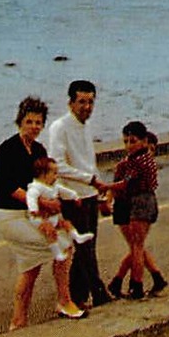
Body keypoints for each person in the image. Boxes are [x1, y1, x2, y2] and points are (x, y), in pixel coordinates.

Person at [0, 96, 82, 326]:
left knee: (32, 266)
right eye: (29, 121)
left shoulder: (39, 149)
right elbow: (7, 187)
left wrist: (56, 211)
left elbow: (49, 183)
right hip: (10, 215)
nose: (34, 126)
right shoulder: (7, 149)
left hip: (32, 215)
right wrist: (42, 204)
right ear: (20, 121)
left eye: (38, 122)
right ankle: (64, 301)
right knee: (59, 246)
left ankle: (19, 321)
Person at [45, 79, 112, 309]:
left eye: (91, 102)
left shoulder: (85, 126)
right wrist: (90, 180)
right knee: (83, 247)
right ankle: (98, 291)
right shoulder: (59, 127)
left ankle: (78, 296)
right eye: (82, 102)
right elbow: (57, 165)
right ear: (70, 102)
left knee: (88, 246)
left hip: (90, 194)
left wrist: (99, 192)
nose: (87, 107)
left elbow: (89, 163)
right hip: (72, 197)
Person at [106, 122, 163, 300]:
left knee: (136, 248)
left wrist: (103, 187)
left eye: (132, 141)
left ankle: (134, 284)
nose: (129, 146)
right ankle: (152, 278)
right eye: (126, 142)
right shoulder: (130, 162)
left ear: (144, 142)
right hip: (129, 203)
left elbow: (123, 184)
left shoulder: (137, 162)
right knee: (136, 247)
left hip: (137, 202)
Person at [25, 156, 95, 262]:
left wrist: (75, 196)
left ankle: (77, 236)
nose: (56, 176)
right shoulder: (36, 187)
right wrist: (33, 209)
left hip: (54, 216)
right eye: (54, 173)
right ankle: (57, 252)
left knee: (66, 223)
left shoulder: (54, 186)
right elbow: (31, 197)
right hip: (40, 218)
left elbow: (65, 191)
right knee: (50, 231)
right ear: (43, 174)